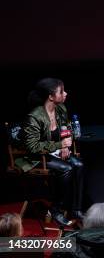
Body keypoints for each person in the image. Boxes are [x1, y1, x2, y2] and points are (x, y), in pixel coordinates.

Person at [21, 78, 84, 226]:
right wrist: (58, 145)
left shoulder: (61, 109)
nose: (65, 93)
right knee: (67, 168)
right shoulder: (35, 117)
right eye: (61, 91)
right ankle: (56, 209)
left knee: (79, 165)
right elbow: (32, 146)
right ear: (51, 96)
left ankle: (76, 209)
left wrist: (65, 146)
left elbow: (67, 130)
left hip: (55, 152)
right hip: (38, 157)